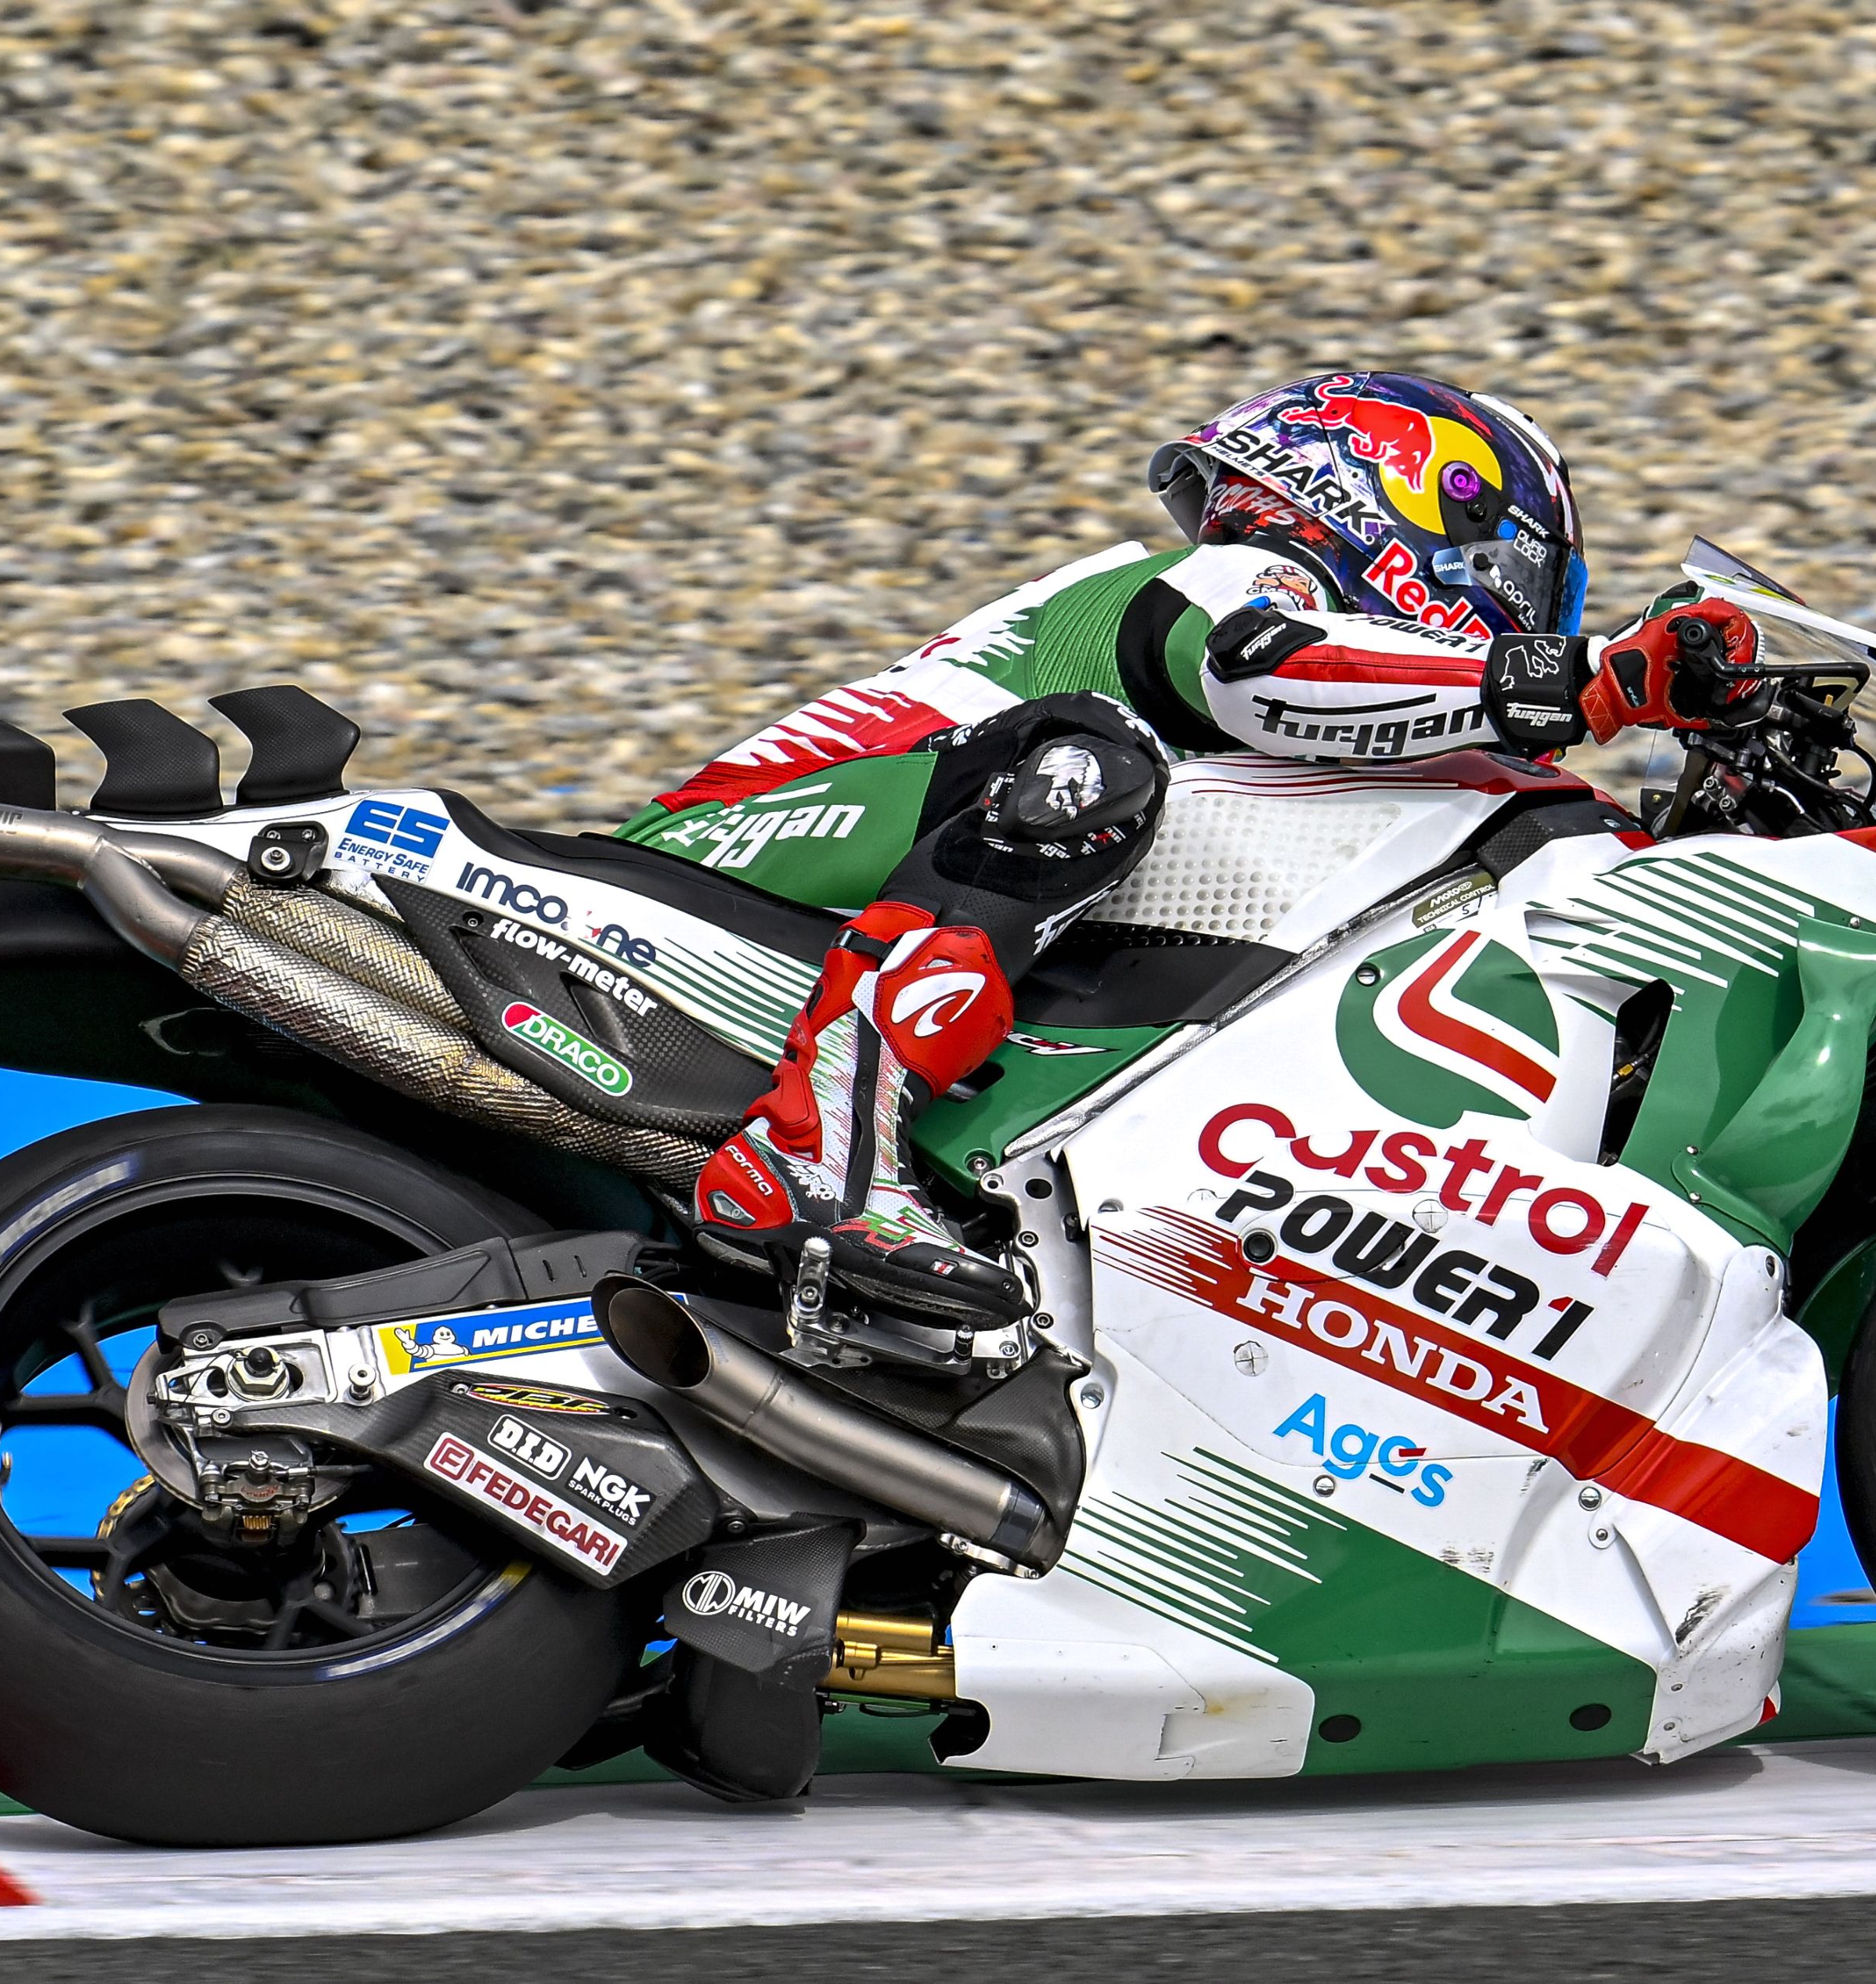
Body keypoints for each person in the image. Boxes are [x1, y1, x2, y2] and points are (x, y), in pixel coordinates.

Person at [619, 371, 1760, 1326]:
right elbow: (1263, 668)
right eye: (1514, 575)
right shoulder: (1242, 576)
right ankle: (818, 1151)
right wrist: (1591, 676)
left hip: (870, 873)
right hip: (734, 849)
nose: (1523, 612)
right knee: (1094, 760)